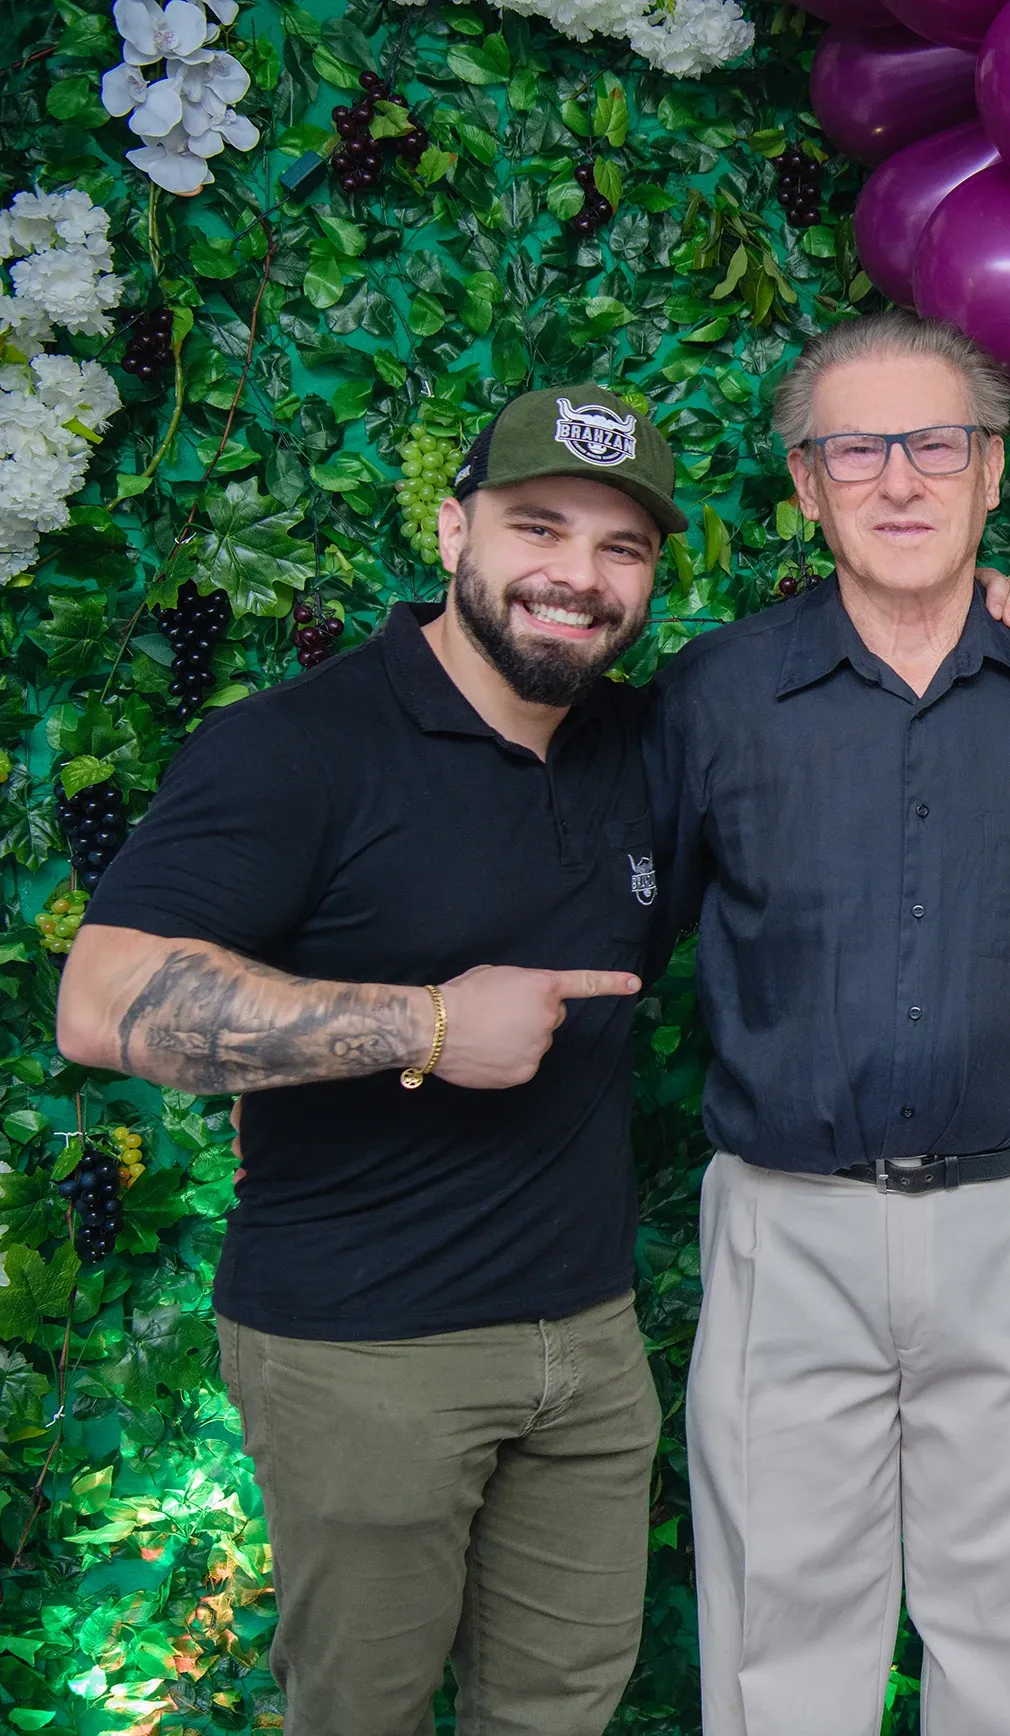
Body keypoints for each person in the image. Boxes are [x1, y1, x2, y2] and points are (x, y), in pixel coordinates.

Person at [52, 385, 679, 1736]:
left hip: (586, 1340)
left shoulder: (645, 744)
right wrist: (429, 1026)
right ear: (453, 529)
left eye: (621, 549)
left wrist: (977, 605)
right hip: (362, 1352)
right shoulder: (298, 748)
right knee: (361, 1713)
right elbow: (101, 1006)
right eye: (538, 528)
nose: (577, 576)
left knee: (564, 1704)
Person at [646, 310, 1010, 1736]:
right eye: (854, 449)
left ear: (990, 473)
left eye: (934, 443)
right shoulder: (711, 698)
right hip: (785, 1226)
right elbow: (623, 938)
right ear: (805, 485)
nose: (899, 479)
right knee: (778, 1650)